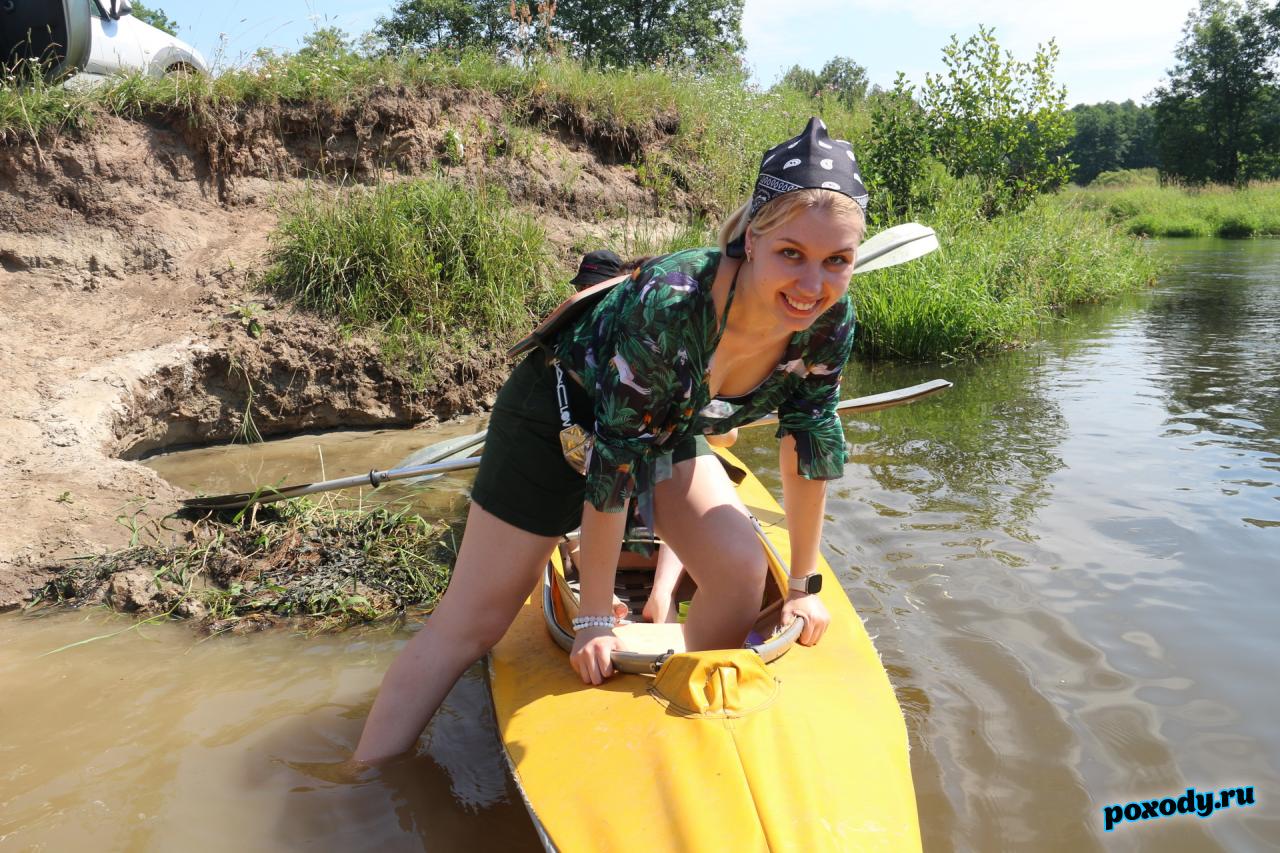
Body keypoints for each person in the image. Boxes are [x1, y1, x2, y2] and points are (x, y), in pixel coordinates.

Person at [354, 117, 867, 764]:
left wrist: (801, 581)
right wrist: (594, 614)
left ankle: (685, 730)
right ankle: (360, 778)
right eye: (792, 253)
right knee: (473, 625)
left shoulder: (830, 321)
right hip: (560, 414)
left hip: (663, 421)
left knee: (740, 574)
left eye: (837, 261)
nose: (813, 284)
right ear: (751, 238)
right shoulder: (675, 305)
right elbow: (613, 461)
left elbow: (809, 440)